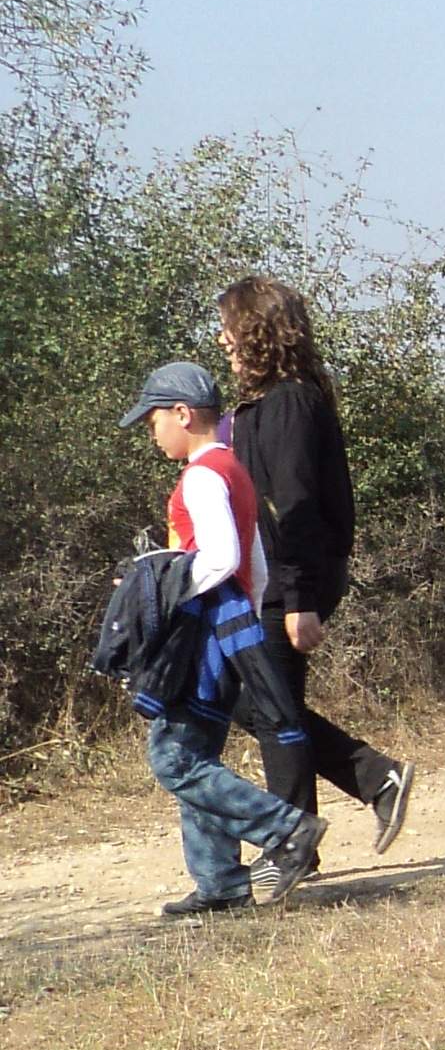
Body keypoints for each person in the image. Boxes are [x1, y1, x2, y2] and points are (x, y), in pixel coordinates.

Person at [111, 361, 323, 914]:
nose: (153, 433)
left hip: (202, 636)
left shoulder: (202, 476)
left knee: (174, 760)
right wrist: (244, 618)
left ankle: (286, 830)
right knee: (195, 750)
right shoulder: (233, 468)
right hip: (229, 630)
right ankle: (221, 883)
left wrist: (164, 590)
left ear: (182, 414)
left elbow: (224, 557)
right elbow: (257, 562)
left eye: (154, 421)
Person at [217, 276, 416, 854]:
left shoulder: (289, 403)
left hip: (291, 577)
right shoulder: (264, 405)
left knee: (272, 711)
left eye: (229, 327)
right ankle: (373, 779)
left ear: (256, 330)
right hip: (275, 577)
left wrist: (299, 599)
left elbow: (298, 506)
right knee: (262, 705)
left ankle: (293, 847)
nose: (223, 339)